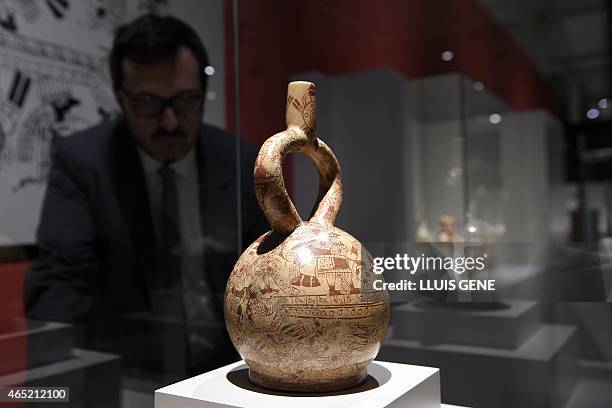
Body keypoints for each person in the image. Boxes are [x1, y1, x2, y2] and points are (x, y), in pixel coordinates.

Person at [23, 14, 267, 377]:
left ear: (203, 92)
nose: (170, 121)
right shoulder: (83, 163)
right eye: (148, 103)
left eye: (185, 101)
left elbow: (268, 278)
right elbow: (60, 285)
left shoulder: (243, 161)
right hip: (128, 374)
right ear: (120, 98)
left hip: (228, 372)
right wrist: (55, 386)